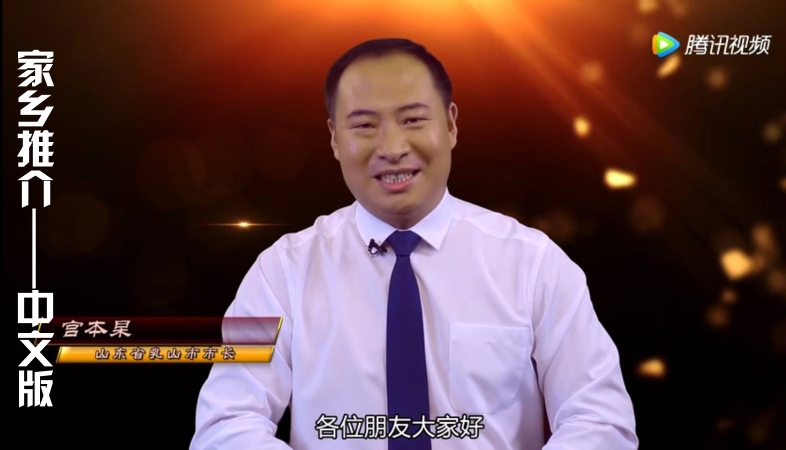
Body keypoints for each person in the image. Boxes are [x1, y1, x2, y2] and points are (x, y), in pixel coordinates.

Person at [191, 38, 638, 450]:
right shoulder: (279, 272)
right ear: (334, 139)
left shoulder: (534, 262)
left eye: (412, 120)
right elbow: (226, 422)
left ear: (451, 124)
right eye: (364, 125)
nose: (392, 147)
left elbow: (600, 420)